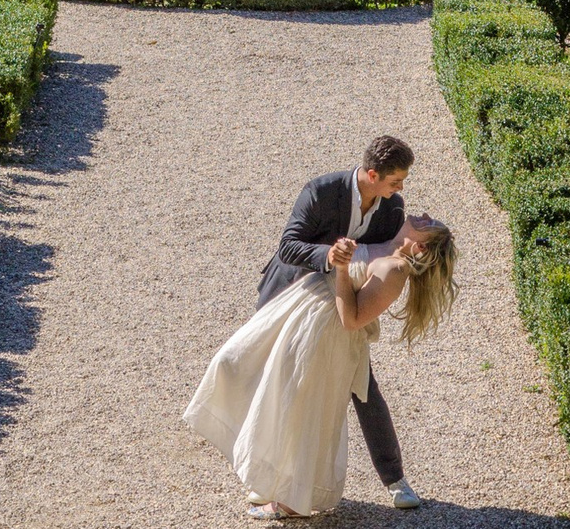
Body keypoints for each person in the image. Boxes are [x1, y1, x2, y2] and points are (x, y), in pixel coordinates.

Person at [183, 137, 446, 514]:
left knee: (360, 391)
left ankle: (394, 479)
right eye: (395, 181)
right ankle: (267, 477)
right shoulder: (322, 191)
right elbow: (288, 246)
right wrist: (330, 255)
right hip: (288, 294)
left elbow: (383, 270)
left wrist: (358, 282)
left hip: (334, 315)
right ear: (373, 175)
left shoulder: (393, 210)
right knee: (257, 374)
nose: (401, 189)